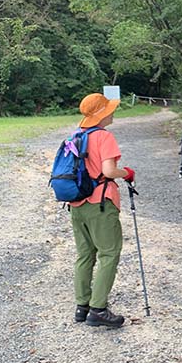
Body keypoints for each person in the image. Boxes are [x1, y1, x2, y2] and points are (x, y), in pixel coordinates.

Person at [70, 93, 135, 328]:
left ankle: (82, 306)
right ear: (102, 114)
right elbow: (108, 170)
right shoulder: (103, 137)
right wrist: (126, 173)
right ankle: (98, 309)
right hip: (100, 203)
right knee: (109, 253)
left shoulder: (76, 135)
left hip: (77, 203)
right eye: (109, 109)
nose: (113, 111)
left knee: (85, 254)